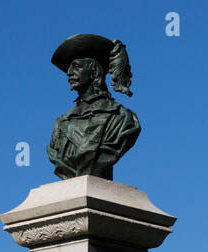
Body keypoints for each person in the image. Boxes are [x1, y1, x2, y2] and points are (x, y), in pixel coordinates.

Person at [47, 34, 140, 181]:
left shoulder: (122, 118)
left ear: (94, 71)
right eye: (68, 69)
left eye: (76, 66)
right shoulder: (61, 124)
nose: (69, 73)